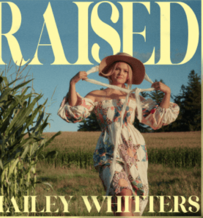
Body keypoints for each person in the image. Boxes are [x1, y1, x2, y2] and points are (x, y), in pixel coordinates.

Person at [58, 53, 179, 216]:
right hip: (108, 149)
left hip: (133, 150)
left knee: (130, 201)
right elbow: (75, 113)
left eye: (125, 71)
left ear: (129, 75)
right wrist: (72, 83)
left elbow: (157, 119)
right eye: (117, 69)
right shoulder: (96, 95)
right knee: (123, 193)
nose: (121, 73)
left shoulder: (135, 96)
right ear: (109, 72)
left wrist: (167, 93)